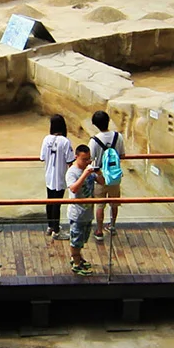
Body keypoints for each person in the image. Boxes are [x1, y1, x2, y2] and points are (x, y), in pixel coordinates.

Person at [88, 110, 127, 234]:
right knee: (114, 203)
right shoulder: (118, 136)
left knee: (100, 205)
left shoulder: (94, 141)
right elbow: (122, 155)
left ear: (95, 124)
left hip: (100, 175)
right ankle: (113, 226)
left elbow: (90, 159)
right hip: (114, 175)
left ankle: (99, 230)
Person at [65, 145, 99, 275]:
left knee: (83, 239)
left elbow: (102, 181)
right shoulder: (72, 172)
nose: (87, 162)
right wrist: (85, 174)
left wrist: (98, 172)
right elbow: (73, 188)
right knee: (76, 239)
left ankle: (78, 257)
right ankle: (76, 263)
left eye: (88, 159)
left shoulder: (89, 170)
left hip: (88, 212)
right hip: (77, 214)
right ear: (76, 157)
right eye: (84, 159)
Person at [39, 115, 75, 237]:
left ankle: (50, 226)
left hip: (49, 175)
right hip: (60, 176)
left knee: (50, 200)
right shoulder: (65, 141)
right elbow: (70, 159)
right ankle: (56, 230)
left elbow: (42, 157)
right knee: (57, 203)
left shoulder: (46, 139)